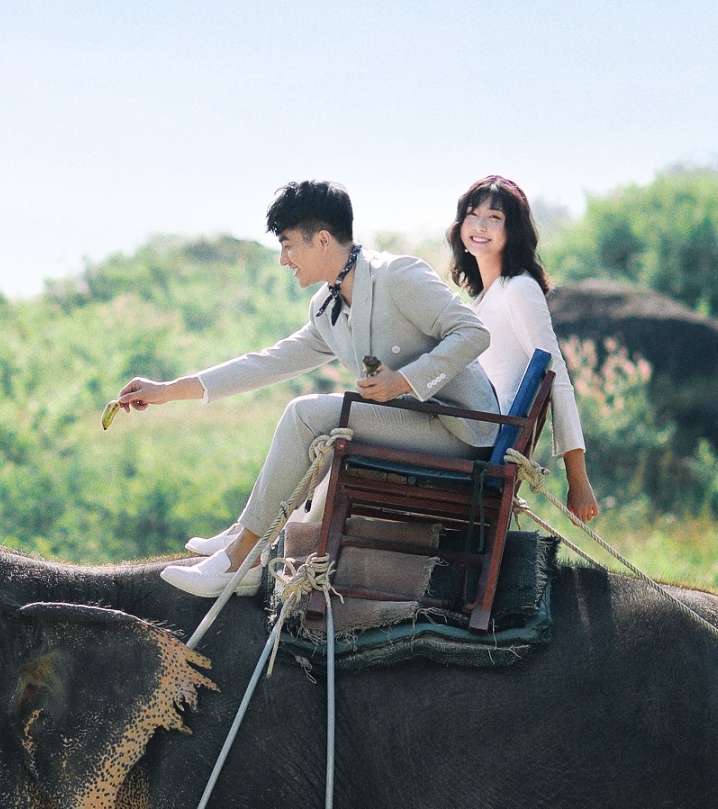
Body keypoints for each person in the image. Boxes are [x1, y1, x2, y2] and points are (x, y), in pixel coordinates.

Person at [110, 179, 498, 596]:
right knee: (309, 414)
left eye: (289, 245)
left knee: (306, 413)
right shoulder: (326, 309)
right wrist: (167, 390)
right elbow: (267, 363)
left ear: (324, 240)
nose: (283, 259)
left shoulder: (399, 275)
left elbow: (473, 332)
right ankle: (246, 534)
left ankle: (241, 558)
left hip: (460, 429)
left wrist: (403, 380)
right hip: (410, 423)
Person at [450, 174, 598, 521]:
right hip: (468, 423)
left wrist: (578, 479)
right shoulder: (482, 300)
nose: (480, 225)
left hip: (483, 434)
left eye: (495, 217)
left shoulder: (518, 289)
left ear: (513, 230)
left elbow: (555, 376)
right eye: (472, 214)